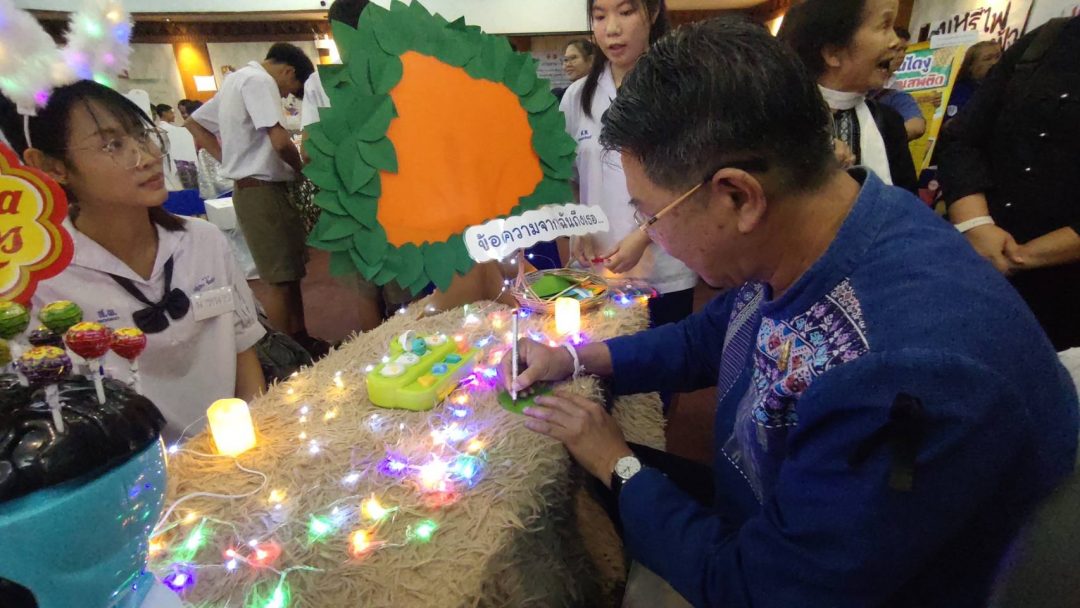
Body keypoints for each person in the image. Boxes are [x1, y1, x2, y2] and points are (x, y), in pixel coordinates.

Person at [505, 18, 1078, 606]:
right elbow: (707, 337)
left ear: (738, 197)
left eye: (650, 215)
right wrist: (575, 358)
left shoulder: (899, 370)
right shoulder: (824, 225)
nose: (652, 235)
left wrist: (619, 464)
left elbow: (759, 590)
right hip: (772, 516)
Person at [0, 80, 267, 443]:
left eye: (142, 135)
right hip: (130, 467)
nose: (147, 157)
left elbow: (243, 351)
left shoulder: (204, 241)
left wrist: (256, 442)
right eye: (112, 145)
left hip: (236, 452)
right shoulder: (44, 282)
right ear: (52, 167)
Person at [938, 17, 1080, 350]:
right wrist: (976, 225)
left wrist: (1023, 256)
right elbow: (962, 138)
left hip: (1063, 300)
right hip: (971, 264)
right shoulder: (1047, 40)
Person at [560, 0, 698, 329]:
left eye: (625, 12)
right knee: (598, 358)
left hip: (664, 272)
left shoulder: (682, 90)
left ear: (652, 13)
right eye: (599, 16)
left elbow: (694, 182)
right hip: (595, 273)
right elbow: (568, 176)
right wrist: (576, 224)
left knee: (659, 357)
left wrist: (645, 234)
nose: (612, 29)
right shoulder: (578, 97)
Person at [186, 43, 327, 356]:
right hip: (264, 189)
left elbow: (194, 122)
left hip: (252, 188)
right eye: (289, 91)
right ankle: (287, 353)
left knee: (288, 273)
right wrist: (302, 170)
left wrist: (229, 161)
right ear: (288, 71)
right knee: (279, 279)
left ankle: (301, 342)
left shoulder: (235, 80)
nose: (286, 97)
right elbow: (280, 141)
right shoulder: (260, 81)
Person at [779, 0, 918, 193]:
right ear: (833, 52)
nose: (895, 41)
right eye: (884, 25)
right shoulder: (778, 119)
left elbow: (908, 202)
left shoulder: (889, 122)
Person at [871, 27, 932, 141]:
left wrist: (877, 142)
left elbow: (917, 127)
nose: (902, 55)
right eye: (897, 49)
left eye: (904, 50)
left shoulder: (896, 91)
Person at [941, 40, 1002, 128]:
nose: (995, 62)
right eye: (987, 59)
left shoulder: (1008, 86)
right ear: (971, 66)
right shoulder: (959, 91)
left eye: (998, 57)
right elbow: (950, 126)